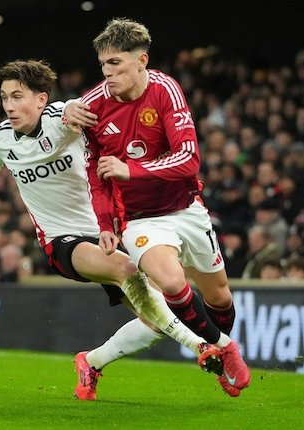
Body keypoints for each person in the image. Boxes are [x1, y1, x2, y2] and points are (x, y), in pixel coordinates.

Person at [0, 59, 222, 401]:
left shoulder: (62, 120)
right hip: (62, 242)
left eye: (18, 96)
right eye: (5, 97)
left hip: (105, 232)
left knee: (159, 319)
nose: (9, 106)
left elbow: (74, 109)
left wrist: (72, 108)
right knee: (125, 269)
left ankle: (92, 362)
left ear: (41, 99)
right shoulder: (1, 139)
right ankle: (200, 345)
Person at [63, 18, 250, 396]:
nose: (107, 73)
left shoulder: (165, 89)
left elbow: (189, 159)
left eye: (115, 63)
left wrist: (130, 170)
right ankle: (226, 350)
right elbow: (95, 173)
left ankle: (93, 361)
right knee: (170, 284)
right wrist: (104, 222)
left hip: (186, 207)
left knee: (218, 298)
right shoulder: (93, 106)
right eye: (103, 64)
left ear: (141, 61)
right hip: (139, 218)